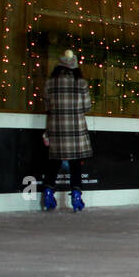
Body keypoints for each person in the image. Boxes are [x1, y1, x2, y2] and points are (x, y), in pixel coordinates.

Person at [41, 49, 92, 212]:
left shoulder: (50, 83)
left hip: (56, 128)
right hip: (76, 128)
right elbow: (87, 107)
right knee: (76, 163)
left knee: (54, 162)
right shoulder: (81, 83)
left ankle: (48, 193)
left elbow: (47, 107)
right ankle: (76, 197)